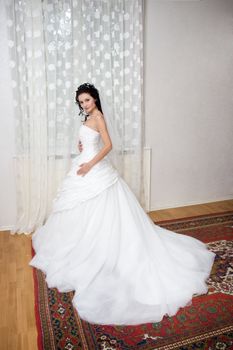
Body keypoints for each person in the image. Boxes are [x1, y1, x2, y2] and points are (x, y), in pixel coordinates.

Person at [30, 83, 215, 326]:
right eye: (81, 102)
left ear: (95, 99)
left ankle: (104, 250)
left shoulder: (98, 117)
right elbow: (91, 141)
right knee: (78, 211)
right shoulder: (89, 118)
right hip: (84, 164)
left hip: (93, 169)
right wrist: (82, 149)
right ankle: (84, 245)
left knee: (103, 212)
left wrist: (89, 164)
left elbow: (108, 146)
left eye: (87, 100)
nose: (84, 104)